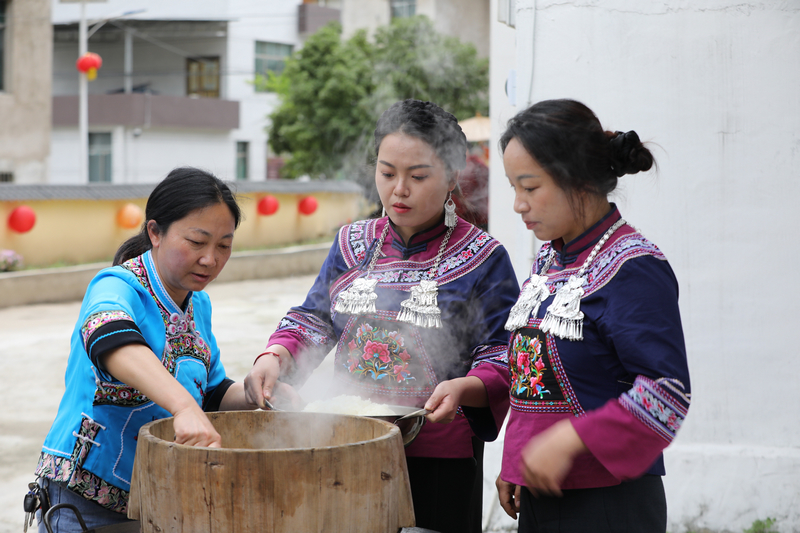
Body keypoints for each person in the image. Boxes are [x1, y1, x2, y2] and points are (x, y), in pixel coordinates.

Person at [244, 99, 520, 533]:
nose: (399, 190)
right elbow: (314, 319)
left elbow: (504, 352)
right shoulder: (351, 241)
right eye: (387, 173)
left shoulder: (485, 257)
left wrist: (467, 386)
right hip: (346, 442)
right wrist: (275, 356)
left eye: (418, 176)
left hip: (438, 457)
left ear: (451, 176)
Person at [496, 99, 691, 532]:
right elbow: (534, 377)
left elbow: (668, 393)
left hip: (606, 505)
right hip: (543, 494)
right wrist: (515, 460)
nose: (517, 205)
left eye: (530, 187)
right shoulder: (551, 259)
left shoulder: (633, 268)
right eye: (513, 187)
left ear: (579, 179)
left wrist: (572, 440)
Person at [31, 167, 254, 532]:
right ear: (155, 232)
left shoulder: (199, 306)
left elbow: (211, 392)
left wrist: (255, 392)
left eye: (224, 245)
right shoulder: (116, 287)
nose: (210, 259)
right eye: (197, 242)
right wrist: (181, 406)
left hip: (157, 494)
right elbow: (110, 339)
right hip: (83, 501)